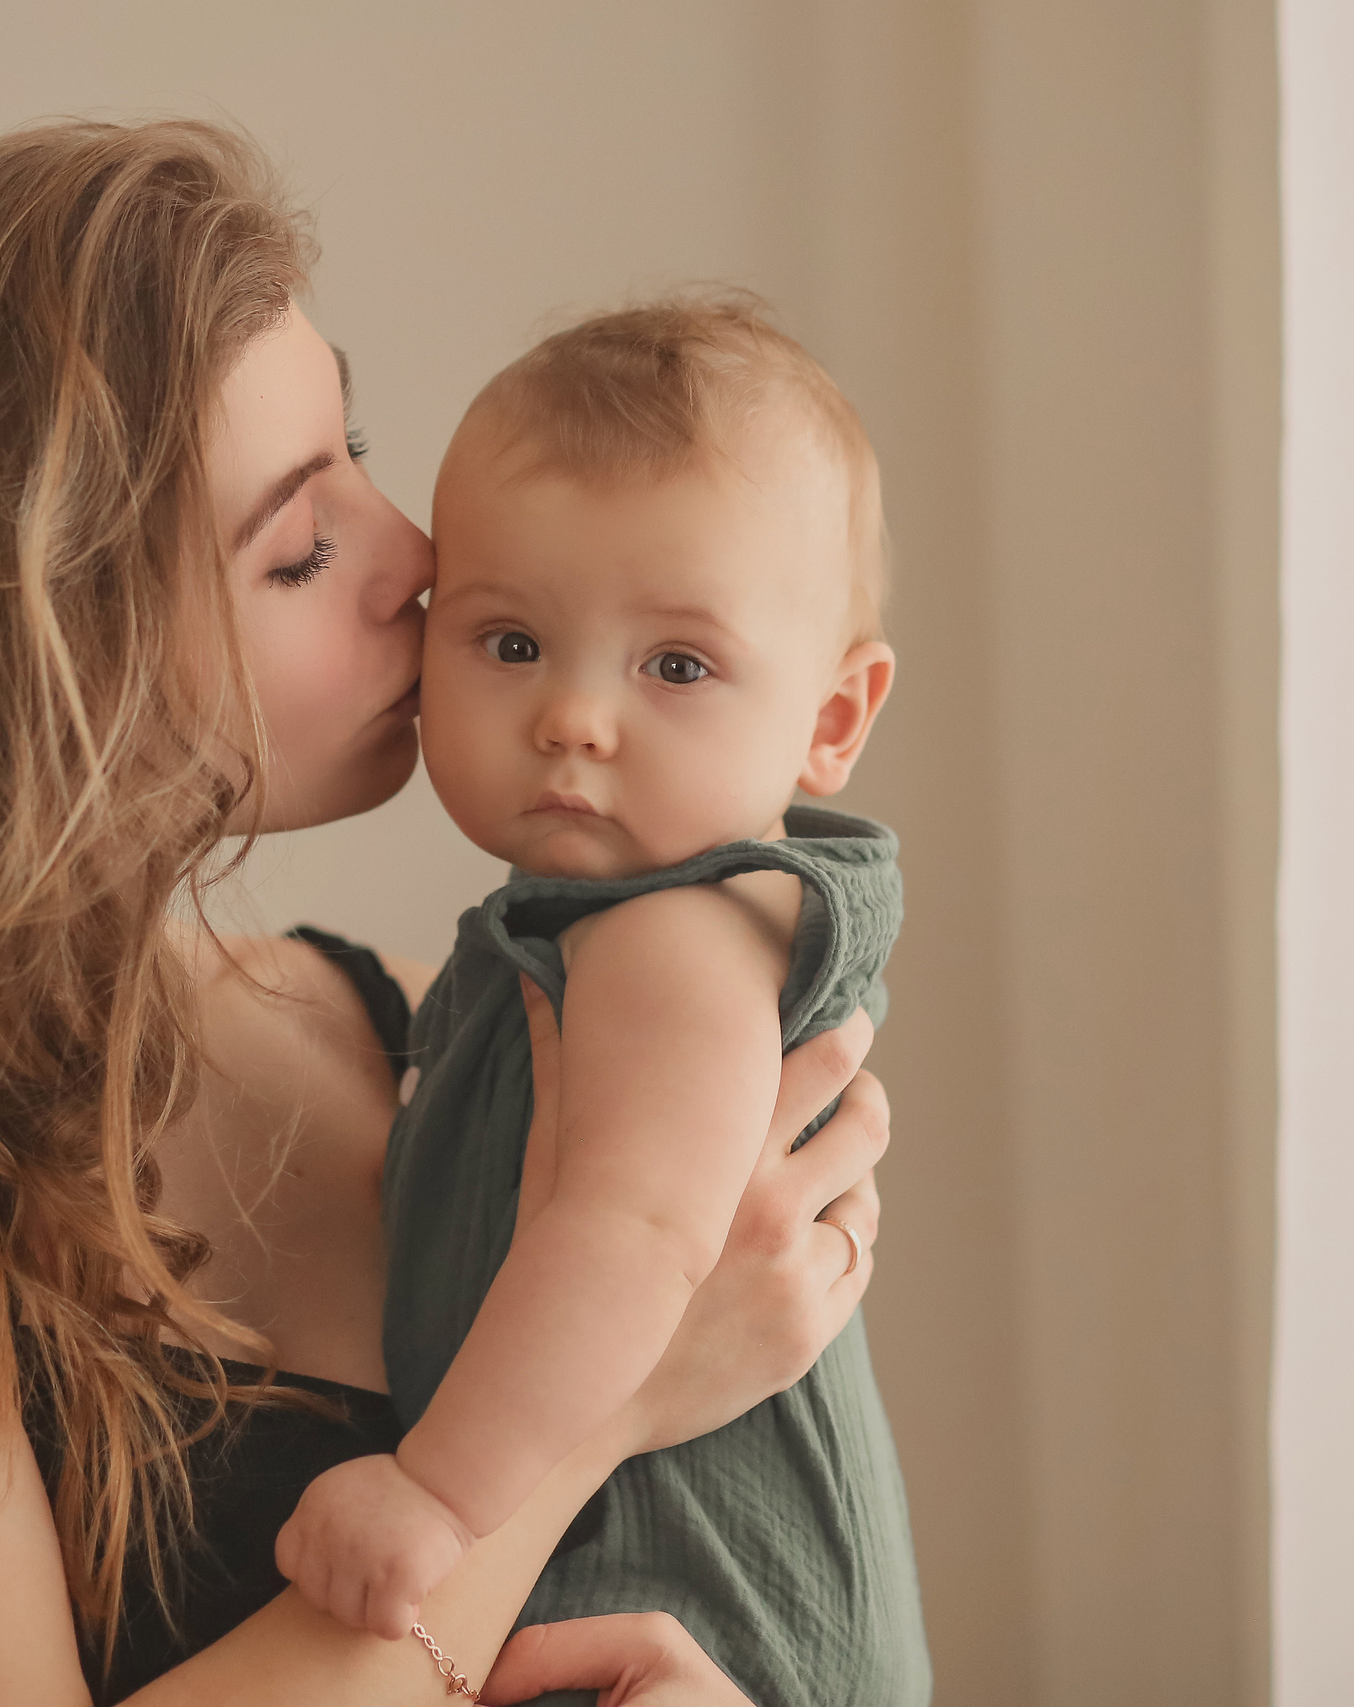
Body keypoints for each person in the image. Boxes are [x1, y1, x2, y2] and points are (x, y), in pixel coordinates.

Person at [0, 120, 897, 1707]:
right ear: (36, 656)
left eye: (364, 452)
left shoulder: (421, 1021)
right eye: (302, 545)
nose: (421, 564)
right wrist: (598, 1415)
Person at [273, 300, 929, 1707]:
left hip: (707, 1614)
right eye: (510, 643)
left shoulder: (673, 933)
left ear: (832, 720)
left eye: (676, 666)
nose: (574, 715)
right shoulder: (574, 931)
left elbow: (638, 1234)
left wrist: (436, 1497)